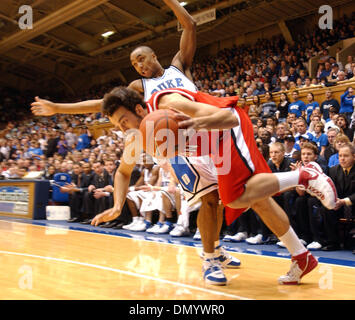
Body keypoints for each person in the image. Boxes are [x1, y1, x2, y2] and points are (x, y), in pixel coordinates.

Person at [31, 0, 240, 286]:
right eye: (133, 63)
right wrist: (58, 107)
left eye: (141, 59)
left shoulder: (179, 67)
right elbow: (103, 103)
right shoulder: (138, 88)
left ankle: (216, 249)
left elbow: (190, 24)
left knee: (225, 198)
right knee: (210, 200)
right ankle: (209, 259)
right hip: (177, 144)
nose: (138, 65)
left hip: (205, 133)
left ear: (154, 55)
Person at [95, 85, 337, 285]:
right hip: (202, 153)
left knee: (236, 197)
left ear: (139, 109)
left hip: (224, 131)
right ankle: (300, 256)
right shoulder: (138, 136)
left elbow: (227, 117)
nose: (123, 130)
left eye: (123, 122)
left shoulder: (168, 103)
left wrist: (195, 124)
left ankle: (304, 175)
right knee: (248, 198)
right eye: (118, 126)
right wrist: (117, 206)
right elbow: (123, 172)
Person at [321, 143, 355, 251]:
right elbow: (330, 189)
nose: (342, 159)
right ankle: (333, 242)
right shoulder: (333, 170)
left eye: (346, 156)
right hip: (339, 203)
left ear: (354, 156)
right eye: (340, 156)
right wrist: (333, 201)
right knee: (327, 207)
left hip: (352, 203)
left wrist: (344, 201)